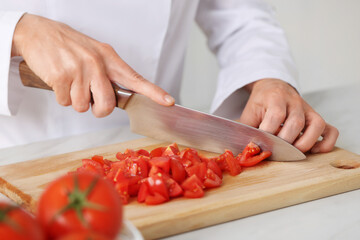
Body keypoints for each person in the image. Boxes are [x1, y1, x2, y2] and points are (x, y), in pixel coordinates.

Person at [0, 0, 338, 153]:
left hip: (158, 147)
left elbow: (240, 13)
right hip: (15, 156)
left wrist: (268, 77)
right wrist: (16, 32)